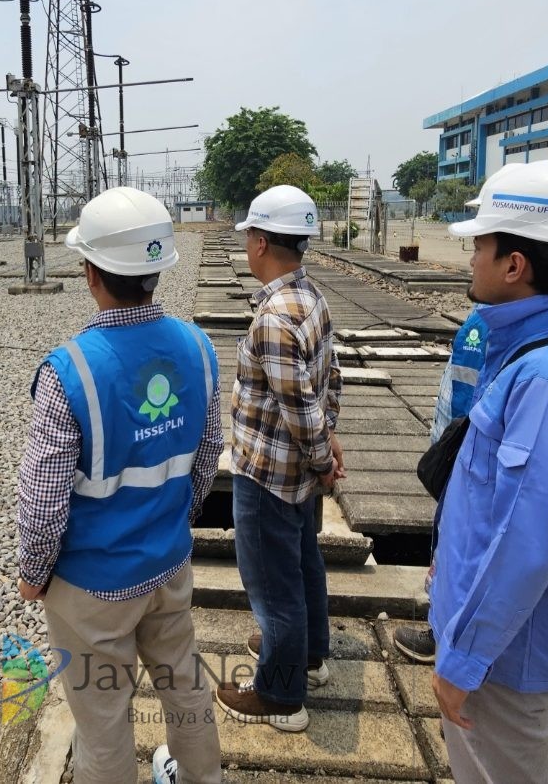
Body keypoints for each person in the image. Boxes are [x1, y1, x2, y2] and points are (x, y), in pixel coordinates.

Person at [16, 186, 223, 784]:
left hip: (94, 586)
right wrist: (176, 521)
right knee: (183, 683)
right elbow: (208, 454)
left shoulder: (71, 370)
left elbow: (44, 498)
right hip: (168, 564)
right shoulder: (199, 347)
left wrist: (34, 571)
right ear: (157, 270)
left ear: (91, 272)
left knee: (102, 717)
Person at [429, 160, 548, 783]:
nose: (470, 258)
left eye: (479, 245)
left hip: (504, 659)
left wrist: (463, 660)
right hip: (521, 635)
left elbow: (526, 540)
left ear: (515, 265)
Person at [214, 185, 344, 732]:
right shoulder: (312, 298)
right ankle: (307, 655)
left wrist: (324, 459)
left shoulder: (274, 317)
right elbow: (328, 380)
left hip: (268, 475)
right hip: (297, 477)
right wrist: (328, 446)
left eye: (249, 235)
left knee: (272, 586)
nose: (247, 244)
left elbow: (298, 408)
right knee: (303, 563)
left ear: (262, 242)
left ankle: (280, 696)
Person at [393, 306, 488, 663]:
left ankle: (441, 635)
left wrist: (450, 453)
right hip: (465, 459)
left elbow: (465, 400)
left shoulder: (482, 325)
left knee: (454, 547)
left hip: (464, 461)